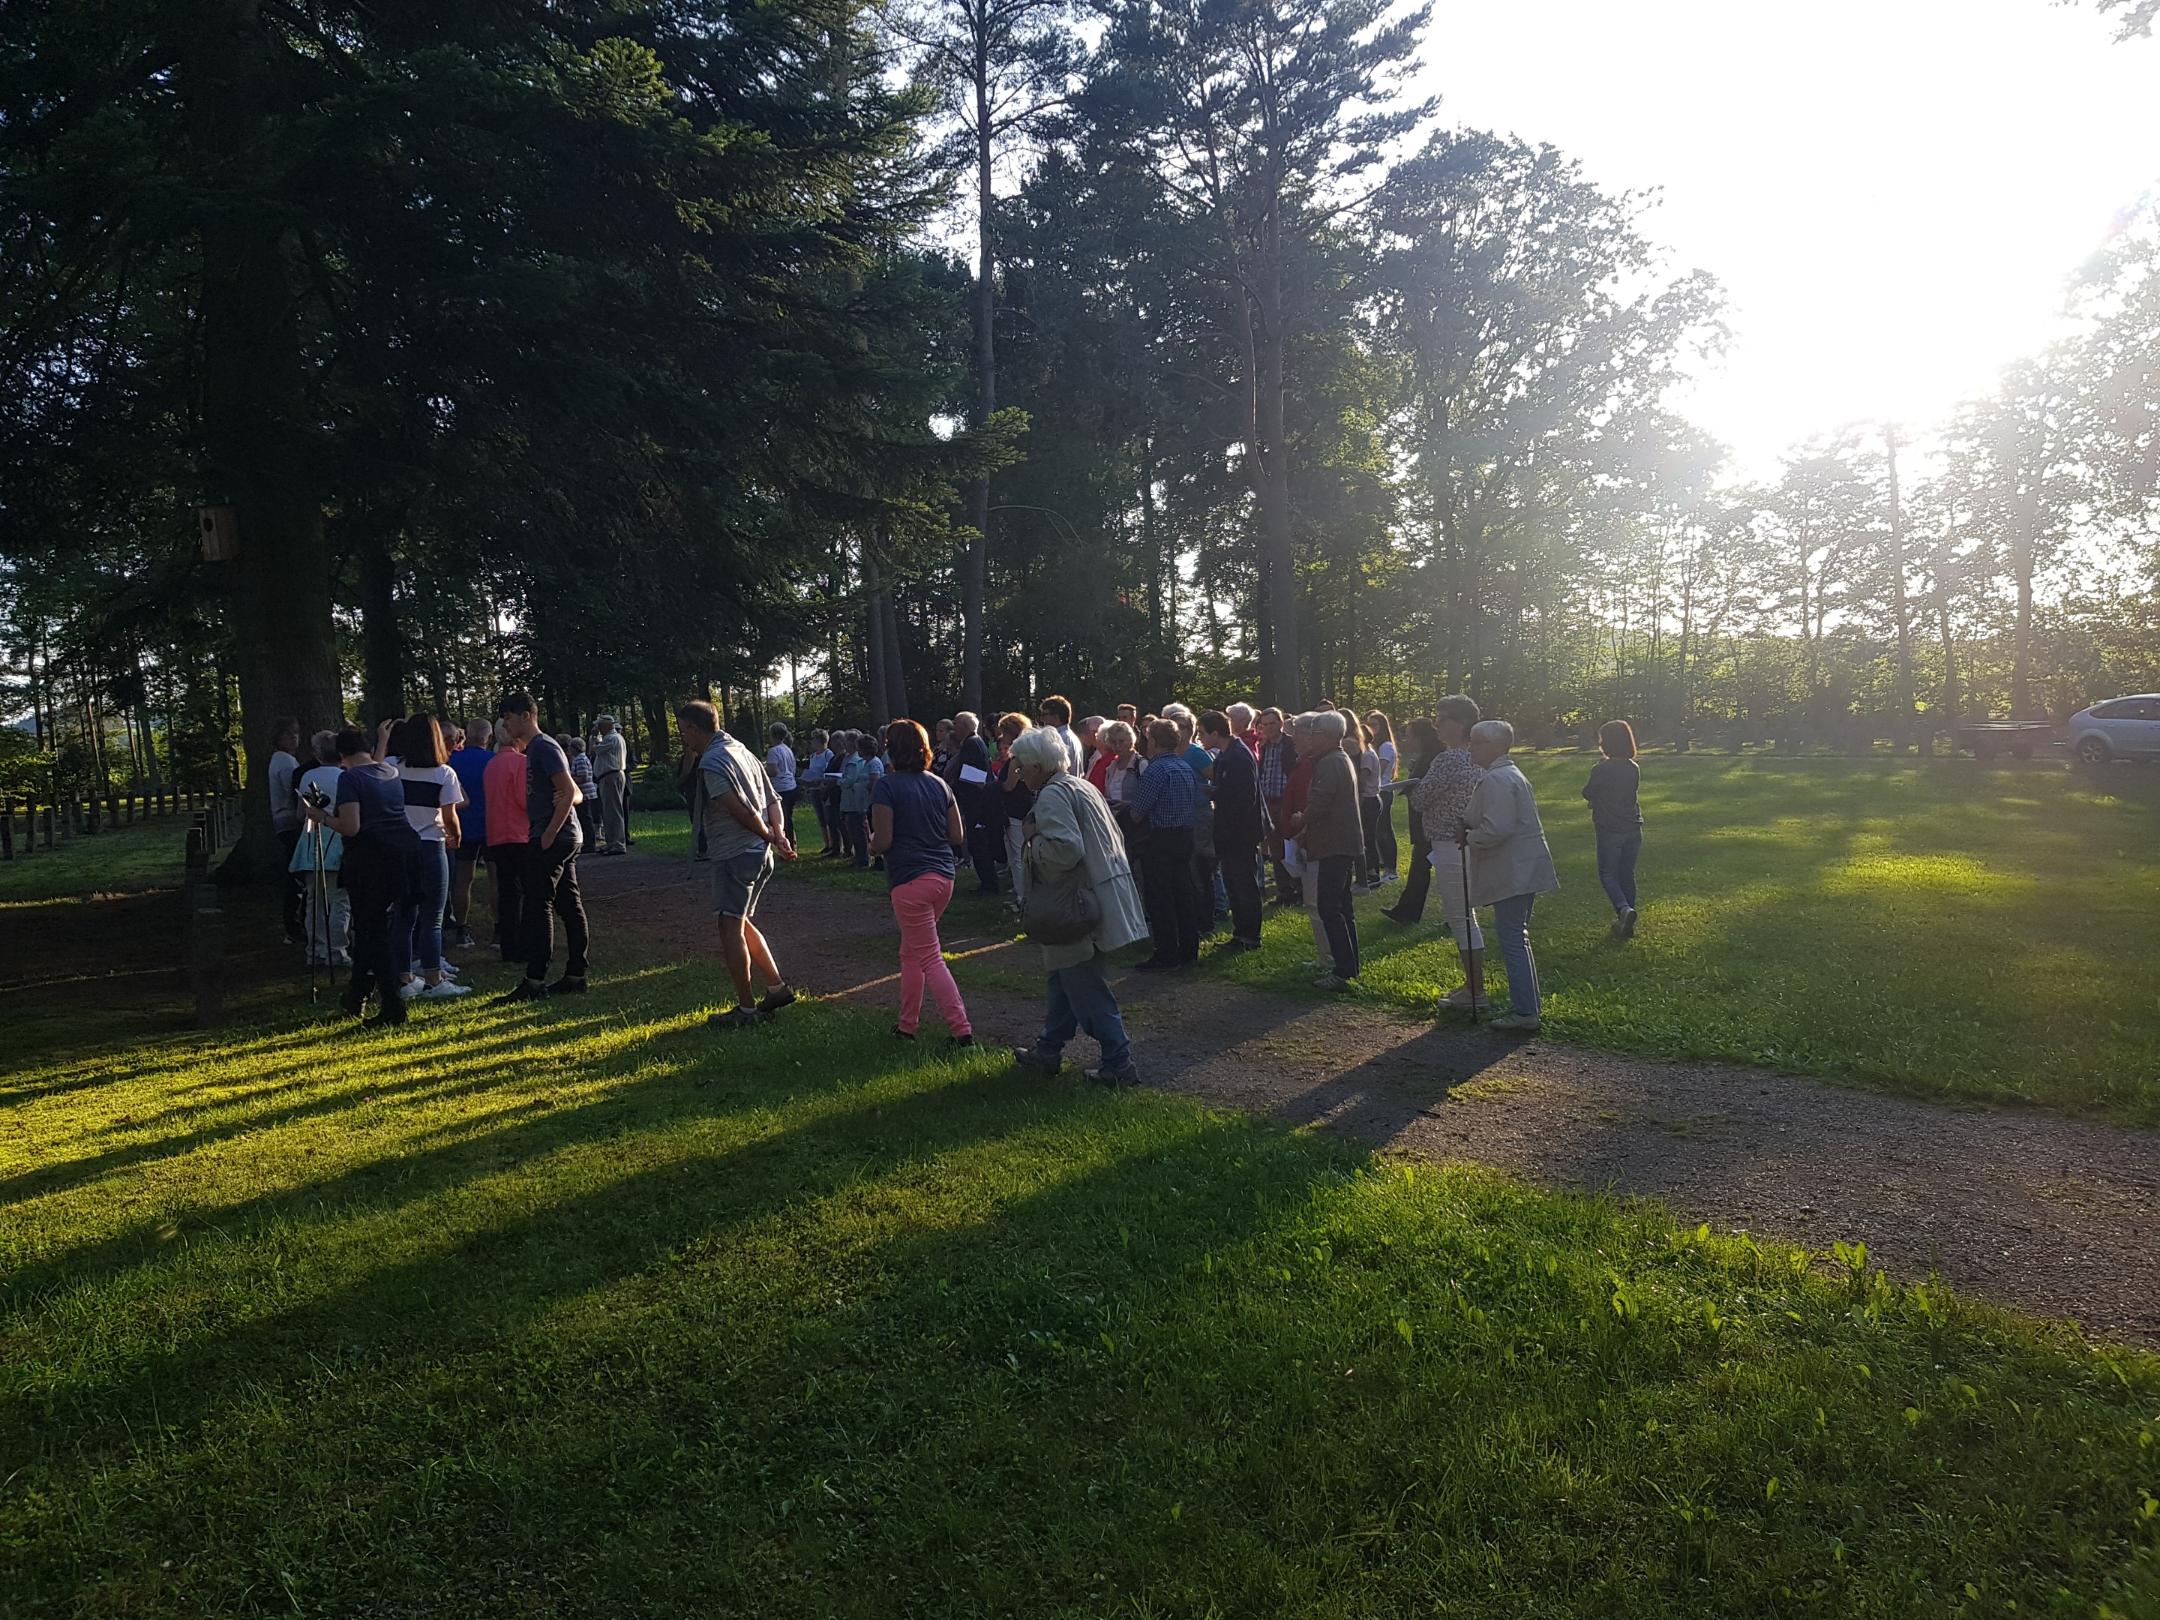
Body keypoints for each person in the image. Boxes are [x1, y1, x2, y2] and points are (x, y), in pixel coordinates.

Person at [1006, 728, 1148, 1086]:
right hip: (1096, 894)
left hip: (1073, 907)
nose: (1019, 775)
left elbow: (1065, 851)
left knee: (1085, 987)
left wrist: (1032, 842)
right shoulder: (1080, 785)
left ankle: (1119, 1063)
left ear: (1038, 765)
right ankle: (1048, 1050)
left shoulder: (1052, 795)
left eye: (1021, 767)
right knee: (1063, 979)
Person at [678, 699, 798, 1030]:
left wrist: (769, 834)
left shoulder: (713, 762)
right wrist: (777, 834)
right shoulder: (741, 750)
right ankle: (776, 988)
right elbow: (772, 799)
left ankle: (746, 1009)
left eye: (684, 731)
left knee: (729, 926)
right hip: (759, 853)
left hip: (736, 853)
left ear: (695, 729)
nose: (683, 738)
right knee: (740, 921)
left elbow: (739, 809)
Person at [305, 724, 419, 1026]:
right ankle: (357, 994)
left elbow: (351, 826)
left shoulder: (350, 778)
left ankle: (392, 1004)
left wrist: (322, 817)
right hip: (403, 853)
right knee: (372, 929)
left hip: (370, 860)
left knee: (373, 932)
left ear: (342, 755)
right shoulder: (389, 772)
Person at [870, 719, 972, 1045]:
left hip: (910, 880)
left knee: (929, 957)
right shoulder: (940, 785)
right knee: (911, 953)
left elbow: (883, 841)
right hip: (943, 877)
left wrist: (871, 844)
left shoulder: (886, 787)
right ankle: (906, 1026)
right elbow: (957, 835)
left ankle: (962, 1031)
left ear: (891, 749)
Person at [1461, 720, 1560, 1033]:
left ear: (1495, 746)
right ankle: (1527, 1007)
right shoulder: (1507, 774)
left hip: (1513, 869)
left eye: (1477, 742)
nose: (1471, 747)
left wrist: (1469, 836)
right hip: (1521, 867)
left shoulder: (1498, 779)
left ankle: (1525, 1011)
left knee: (1513, 939)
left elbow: (1496, 829)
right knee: (1518, 937)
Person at [500, 691, 588, 1000]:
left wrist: (549, 833)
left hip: (554, 836)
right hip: (561, 835)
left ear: (526, 716)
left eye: (508, 718)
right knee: (568, 904)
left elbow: (569, 791)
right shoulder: (537, 749)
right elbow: (573, 792)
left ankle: (535, 980)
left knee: (539, 905)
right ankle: (575, 974)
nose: (505, 725)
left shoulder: (544, 747)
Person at [1406, 695, 1486, 1005]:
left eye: (1442, 719)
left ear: (1461, 724)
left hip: (1449, 842)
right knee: (1465, 915)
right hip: (1471, 840)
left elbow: (1420, 799)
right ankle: (1473, 987)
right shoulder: (1479, 757)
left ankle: (1475, 991)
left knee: (1460, 917)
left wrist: (1414, 785)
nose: (1437, 725)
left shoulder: (1448, 759)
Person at [391, 714, 469, 1000]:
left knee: (403, 915)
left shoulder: (393, 768)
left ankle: (404, 977)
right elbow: (449, 815)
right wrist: (456, 836)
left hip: (401, 846)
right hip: (431, 844)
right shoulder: (443, 773)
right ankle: (434, 977)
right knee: (432, 917)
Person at [1128, 717, 1203, 970]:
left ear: (1154, 741)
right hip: (1185, 835)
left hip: (1160, 838)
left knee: (1160, 897)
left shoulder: (1156, 770)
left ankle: (1166, 953)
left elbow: (1137, 812)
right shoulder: (1184, 767)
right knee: (1183, 892)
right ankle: (1189, 949)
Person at [1297, 709, 1363, 989]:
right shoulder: (1339, 759)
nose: (1309, 739)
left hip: (1334, 843)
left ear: (1326, 736)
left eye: (1313, 733)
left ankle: (1343, 970)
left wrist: (1302, 819)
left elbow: (1321, 801)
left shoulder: (1330, 762)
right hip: (1342, 841)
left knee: (1329, 907)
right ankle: (1348, 964)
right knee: (1342, 906)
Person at [1199, 709, 1263, 950]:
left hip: (1240, 832)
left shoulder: (1238, 756)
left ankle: (1250, 936)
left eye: (1202, 733)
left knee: (1244, 883)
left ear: (1216, 733)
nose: (1200, 737)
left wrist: (1216, 793)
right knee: (1234, 884)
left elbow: (1245, 797)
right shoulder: (1226, 755)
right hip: (1228, 830)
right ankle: (1240, 933)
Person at [291, 730, 350, 967]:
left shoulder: (308, 776)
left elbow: (300, 813)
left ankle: (316, 949)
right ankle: (337, 951)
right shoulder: (345, 776)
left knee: (314, 900)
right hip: (338, 838)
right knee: (339, 900)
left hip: (311, 839)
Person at [1585, 718, 1643, 939]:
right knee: (1627, 874)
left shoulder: (1602, 769)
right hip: (1633, 826)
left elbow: (1588, 792)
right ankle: (1626, 922)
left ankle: (1623, 909)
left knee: (1608, 874)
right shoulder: (1633, 768)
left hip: (1610, 828)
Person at [1381, 717, 1441, 925]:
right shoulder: (1427, 757)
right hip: (1423, 822)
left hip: (1431, 822)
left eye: (1409, 736)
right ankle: (1407, 911)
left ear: (1420, 737)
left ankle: (1408, 911)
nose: (1406, 741)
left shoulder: (1435, 758)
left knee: (1426, 867)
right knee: (1421, 867)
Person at [483, 729, 531, 961]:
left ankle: (508, 945)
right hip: (520, 833)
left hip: (496, 833)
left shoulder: (491, 765)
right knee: (525, 891)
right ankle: (525, 945)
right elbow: (524, 799)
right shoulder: (521, 762)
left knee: (506, 892)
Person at [446, 720, 493, 945]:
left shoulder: (452, 761)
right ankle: (500, 928)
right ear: (489, 737)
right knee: (496, 878)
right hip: (492, 826)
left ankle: (461, 927)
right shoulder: (494, 760)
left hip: (462, 826)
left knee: (463, 879)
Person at [945, 711, 1000, 895]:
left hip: (976, 803)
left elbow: (973, 776)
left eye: (956, 724)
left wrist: (956, 787)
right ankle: (987, 882)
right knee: (978, 844)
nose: (954, 729)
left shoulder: (971, 744)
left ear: (965, 726)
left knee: (978, 844)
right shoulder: (976, 742)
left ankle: (988, 885)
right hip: (978, 801)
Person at [1256, 706, 1299, 906]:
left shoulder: (1291, 744)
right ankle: (1284, 890)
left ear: (1281, 723)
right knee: (1275, 848)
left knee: (1291, 844)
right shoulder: (1264, 747)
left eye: (1272, 723)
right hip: (1268, 801)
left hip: (1286, 801)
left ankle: (1298, 886)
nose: (1269, 728)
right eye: (1265, 724)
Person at [269, 718, 305, 944]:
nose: (293, 738)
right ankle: (293, 926)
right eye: (287, 734)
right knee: (295, 874)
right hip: (289, 820)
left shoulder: (284, 759)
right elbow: (294, 791)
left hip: (285, 819)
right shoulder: (284, 761)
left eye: (295, 734)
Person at [995, 713, 1035, 906]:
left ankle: (1023, 897)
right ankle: (1022, 894)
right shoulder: (1029, 753)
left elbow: (1009, 785)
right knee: (1018, 855)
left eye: (1004, 732)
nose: (1002, 737)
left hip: (1015, 810)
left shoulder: (1017, 758)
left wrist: (995, 785)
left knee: (1017, 856)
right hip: (1023, 808)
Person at [1342, 708, 1382, 889]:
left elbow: (1363, 780)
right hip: (1370, 798)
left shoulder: (1366, 754)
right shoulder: (1368, 752)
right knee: (1367, 837)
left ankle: (1370, 873)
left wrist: (1358, 800)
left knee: (1366, 838)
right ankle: (1369, 873)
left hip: (1368, 799)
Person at [1364, 710, 1399, 884]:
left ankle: (1391, 869)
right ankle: (1380, 863)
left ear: (1382, 727)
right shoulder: (1375, 745)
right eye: (1368, 724)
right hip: (1377, 790)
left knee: (1384, 831)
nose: (1371, 728)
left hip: (1383, 790)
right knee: (1377, 831)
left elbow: (1379, 769)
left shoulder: (1385, 746)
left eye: (1374, 724)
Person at [590, 715, 629, 856]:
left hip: (611, 776)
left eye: (599, 725)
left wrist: (594, 737)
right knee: (608, 811)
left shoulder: (612, 738)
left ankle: (617, 844)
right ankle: (611, 842)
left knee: (614, 811)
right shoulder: (613, 738)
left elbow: (595, 750)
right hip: (608, 777)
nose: (598, 728)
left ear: (606, 726)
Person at [837, 732, 875, 867]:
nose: (843, 744)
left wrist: (839, 781)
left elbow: (851, 780)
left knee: (857, 829)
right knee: (853, 829)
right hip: (852, 798)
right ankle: (859, 856)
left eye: (846, 741)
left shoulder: (855, 761)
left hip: (855, 800)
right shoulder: (850, 758)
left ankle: (863, 858)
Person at [801, 729, 836, 855]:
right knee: (821, 818)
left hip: (824, 789)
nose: (812, 742)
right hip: (814, 788)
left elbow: (830, 770)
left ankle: (833, 844)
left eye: (814, 739)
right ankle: (826, 844)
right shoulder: (813, 756)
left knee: (828, 817)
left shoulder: (828, 754)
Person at [766, 723, 800, 850]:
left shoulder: (773, 751)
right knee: (788, 818)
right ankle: (792, 843)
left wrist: (762, 769)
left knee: (781, 820)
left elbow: (773, 771)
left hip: (781, 788)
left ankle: (787, 846)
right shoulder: (787, 749)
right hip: (791, 786)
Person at [1035, 695, 1084, 777]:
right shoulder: (1073, 737)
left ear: (1056, 717)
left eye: (1044, 715)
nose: (1041, 719)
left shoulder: (1059, 739)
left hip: (1061, 784)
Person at [566, 735, 598, 850]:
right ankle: (588, 842)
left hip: (585, 793)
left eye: (570, 747)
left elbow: (583, 777)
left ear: (575, 748)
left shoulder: (580, 760)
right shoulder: (582, 758)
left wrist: (569, 779)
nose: (568, 749)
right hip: (586, 792)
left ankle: (590, 843)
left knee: (585, 818)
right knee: (585, 817)